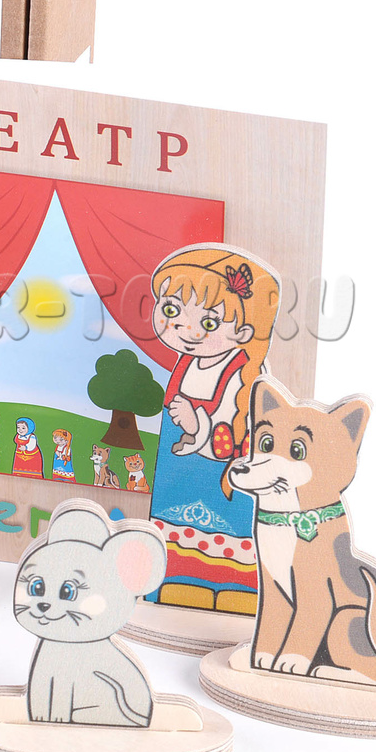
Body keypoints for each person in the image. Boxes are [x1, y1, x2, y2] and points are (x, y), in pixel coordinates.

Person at [145, 245, 279, 615]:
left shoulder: (243, 377)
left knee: (224, 560)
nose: (185, 330)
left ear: (245, 331)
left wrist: (196, 426)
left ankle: (231, 597)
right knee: (171, 549)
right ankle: (164, 587)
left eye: (208, 323)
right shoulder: (186, 363)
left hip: (221, 487)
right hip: (174, 479)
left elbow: (233, 441)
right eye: (171, 310)